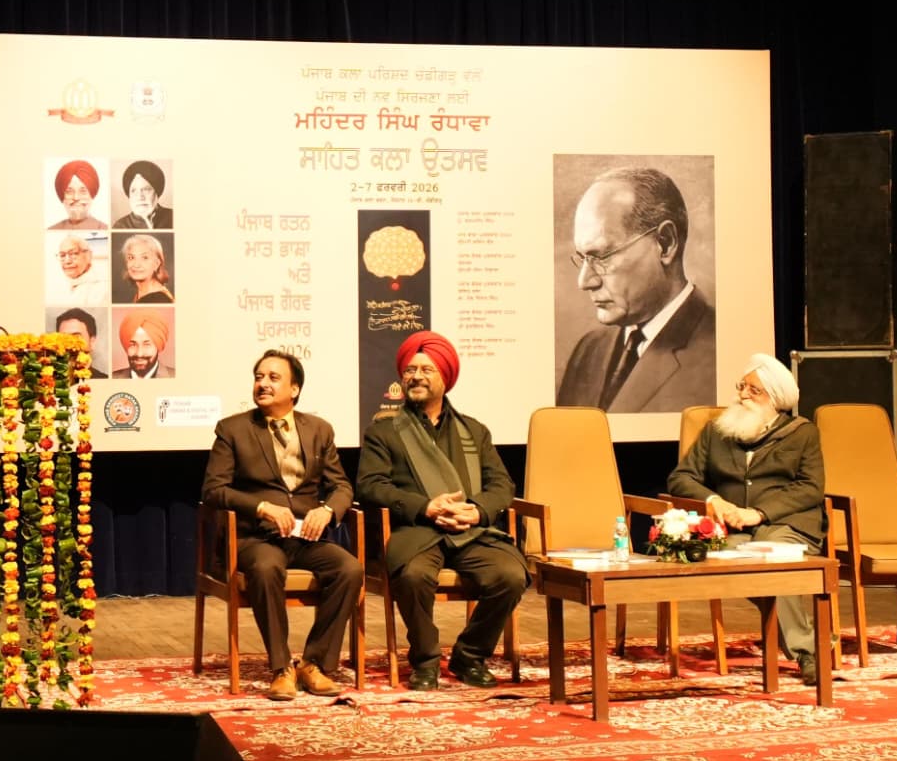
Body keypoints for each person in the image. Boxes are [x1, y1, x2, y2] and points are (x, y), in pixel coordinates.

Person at [356, 331, 529, 690]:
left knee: (511, 575)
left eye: (426, 370)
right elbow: (370, 486)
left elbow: (502, 485)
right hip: (416, 532)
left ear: (446, 377)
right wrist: (425, 507)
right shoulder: (384, 432)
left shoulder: (474, 431)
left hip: (471, 532)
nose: (416, 377)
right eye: (410, 370)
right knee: (413, 576)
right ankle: (425, 660)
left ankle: (470, 656)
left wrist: (477, 511)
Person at [201, 351, 363, 700]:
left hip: (305, 536)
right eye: (259, 377)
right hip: (256, 538)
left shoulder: (319, 429)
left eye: (273, 378)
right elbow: (213, 490)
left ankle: (314, 663)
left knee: (349, 569)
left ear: (295, 389)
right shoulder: (233, 429)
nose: (263, 383)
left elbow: (342, 487)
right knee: (266, 568)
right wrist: (261, 507)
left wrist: (327, 511)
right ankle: (281, 668)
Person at [666, 352, 826, 684]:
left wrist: (759, 513)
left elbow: (811, 487)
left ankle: (805, 653)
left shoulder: (802, 433)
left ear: (775, 398)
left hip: (787, 525)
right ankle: (813, 641)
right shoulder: (718, 431)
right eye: (742, 387)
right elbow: (681, 478)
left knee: (775, 559)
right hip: (733, 531)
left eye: (754, 390)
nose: (742, 395)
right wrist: (714, 501)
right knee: (721, 559)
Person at [556, 166, 715, 413]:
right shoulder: (588, 350)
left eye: (602, 256)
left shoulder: (718, 352)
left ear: (665, 243)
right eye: (583, 258)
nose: (585, 281)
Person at [112, 310, 174, 379]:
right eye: (133, 345)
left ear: (158, 346)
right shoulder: (113, 377)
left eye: (147, 345)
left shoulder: (176, 377)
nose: (139, 354)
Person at [48, 234, 107, 306]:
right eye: (62, 255)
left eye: (73, 254)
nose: (67, 261)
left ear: (88, 255)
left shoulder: (104, 288)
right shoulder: (55, 285)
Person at [48, 159, 108, 230]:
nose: (76, 197)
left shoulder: (104, 229)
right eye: (69, 192)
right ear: (61, 196)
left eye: (83, 191)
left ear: (92, 194)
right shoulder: (51, 230)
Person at [113, 160, 173, 229]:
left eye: (146, 189)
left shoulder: (173, 217)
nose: (140, 197)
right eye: (133, 191)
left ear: (157, 193)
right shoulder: (120, 226)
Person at [55, 307, 108, 379]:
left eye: (76, 337)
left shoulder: (105, 380)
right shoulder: (48, 379)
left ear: (92, 342)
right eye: (64, 338)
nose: (69, 345)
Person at [120, 234, 174, 303]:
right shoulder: (143, 293)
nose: (136, 265)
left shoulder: (159, 299)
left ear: (157, 264)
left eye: (145, 258)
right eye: (131, 257)